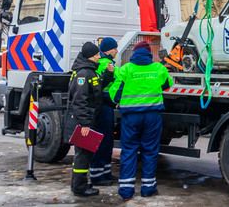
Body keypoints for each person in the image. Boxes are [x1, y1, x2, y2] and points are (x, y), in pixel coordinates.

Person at [109, 41, 173, 199]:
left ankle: (126, 190)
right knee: (150, 151)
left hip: (131, 117)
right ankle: (148, 188)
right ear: (149, 54)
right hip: (152, 116)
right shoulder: (158, 68)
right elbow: (167, 85)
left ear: (134, 54)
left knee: (129, 150)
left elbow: (114, 94)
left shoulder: (126, 69)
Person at [69, 42, 104, 197]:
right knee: (82, 154)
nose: (99, 57)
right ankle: (80, 187)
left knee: (84, 153)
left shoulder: (90, 71)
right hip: (85, 121)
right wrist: (84, 123)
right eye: (97, 54)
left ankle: (79, 183)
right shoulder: (83, 73)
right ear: (90, 56)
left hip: (89, 119)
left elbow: (96, 90)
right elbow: (79, 100)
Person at [88, 37, 118, 186]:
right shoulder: (104, 64)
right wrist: (109, 74)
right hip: (102, 105)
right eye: (114, 48)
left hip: (107, 105)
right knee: (102, 141)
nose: (116, 51)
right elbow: (99, 85)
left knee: (107, 141)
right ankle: (97, 176)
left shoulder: (107, 63)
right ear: (108, 50)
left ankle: (105, 173)